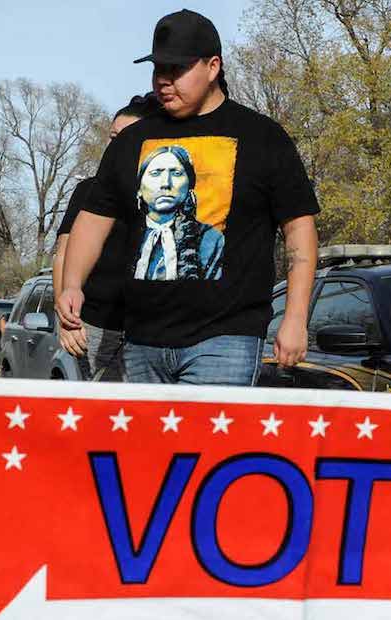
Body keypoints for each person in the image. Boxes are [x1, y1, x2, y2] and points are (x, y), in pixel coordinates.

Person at [58, 9, 319, 386]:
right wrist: (71, 284)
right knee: (143, 448)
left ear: (213, 66)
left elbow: (299, 229)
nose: (164, 81)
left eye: (176, 69)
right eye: (157, 69)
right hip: (141, 340)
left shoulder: (262, 137)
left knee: (211, 447)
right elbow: (94, 219)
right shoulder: (130, 141)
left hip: (225, 339)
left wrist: (295, 318)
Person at [53, 93, 160, 381]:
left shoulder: (165, 194)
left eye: (128, 137)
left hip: (149, 331)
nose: (118, 145)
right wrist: (64, 320)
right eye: (113, 137)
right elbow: (63, 253)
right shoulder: (88, 190)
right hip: (94, 326)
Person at [134, 144, 223, 280]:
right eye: (156, 173)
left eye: (176, 173)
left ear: (189, 186)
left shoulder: (211, 239)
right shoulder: (123, 234)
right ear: (139, 187)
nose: (165, 183)